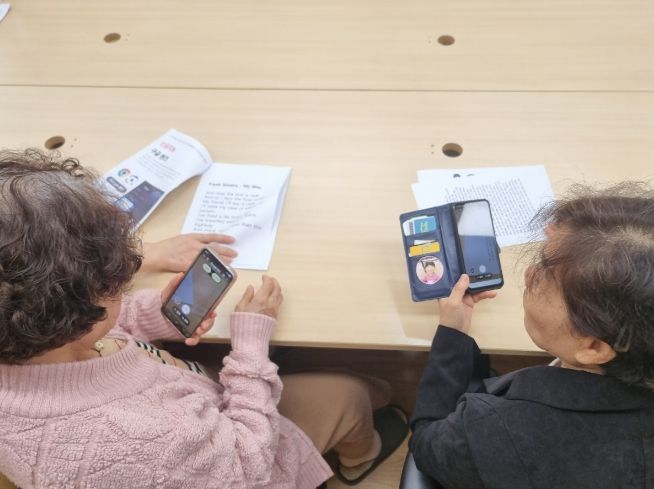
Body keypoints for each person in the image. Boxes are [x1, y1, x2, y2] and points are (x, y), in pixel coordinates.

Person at [0, 149, 407, 489]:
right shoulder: (138, 443)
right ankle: (361, 458)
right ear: (75, 315)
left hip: (187, 394)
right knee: (355, 392)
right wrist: (249, 349)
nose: (126, 281)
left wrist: (159, 316)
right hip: (242, 454)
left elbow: (107, 329)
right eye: (117, 285)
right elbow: (250, 462)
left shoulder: (31, 335)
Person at [410, 183, 654, 489]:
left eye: (545, 276)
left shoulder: (495, 430)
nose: (529, 275)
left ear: (593, 347)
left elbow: (427, 440)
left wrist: (451, 333)